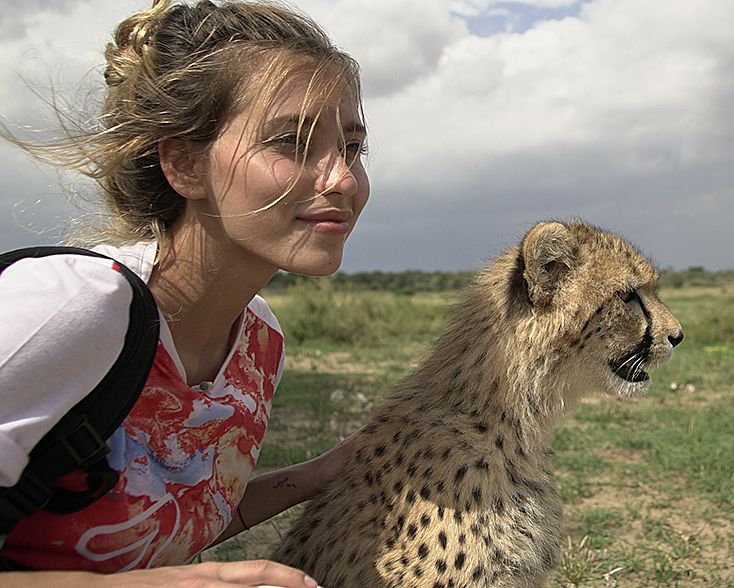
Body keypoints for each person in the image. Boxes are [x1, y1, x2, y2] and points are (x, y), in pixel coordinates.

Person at [0, 0, 369, 586]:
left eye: (353, 148)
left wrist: (325, 471)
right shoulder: (74, 308)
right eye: (292, 144)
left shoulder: (257, 342)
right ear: (185, 164)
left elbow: (175, 521)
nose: (344, 179)